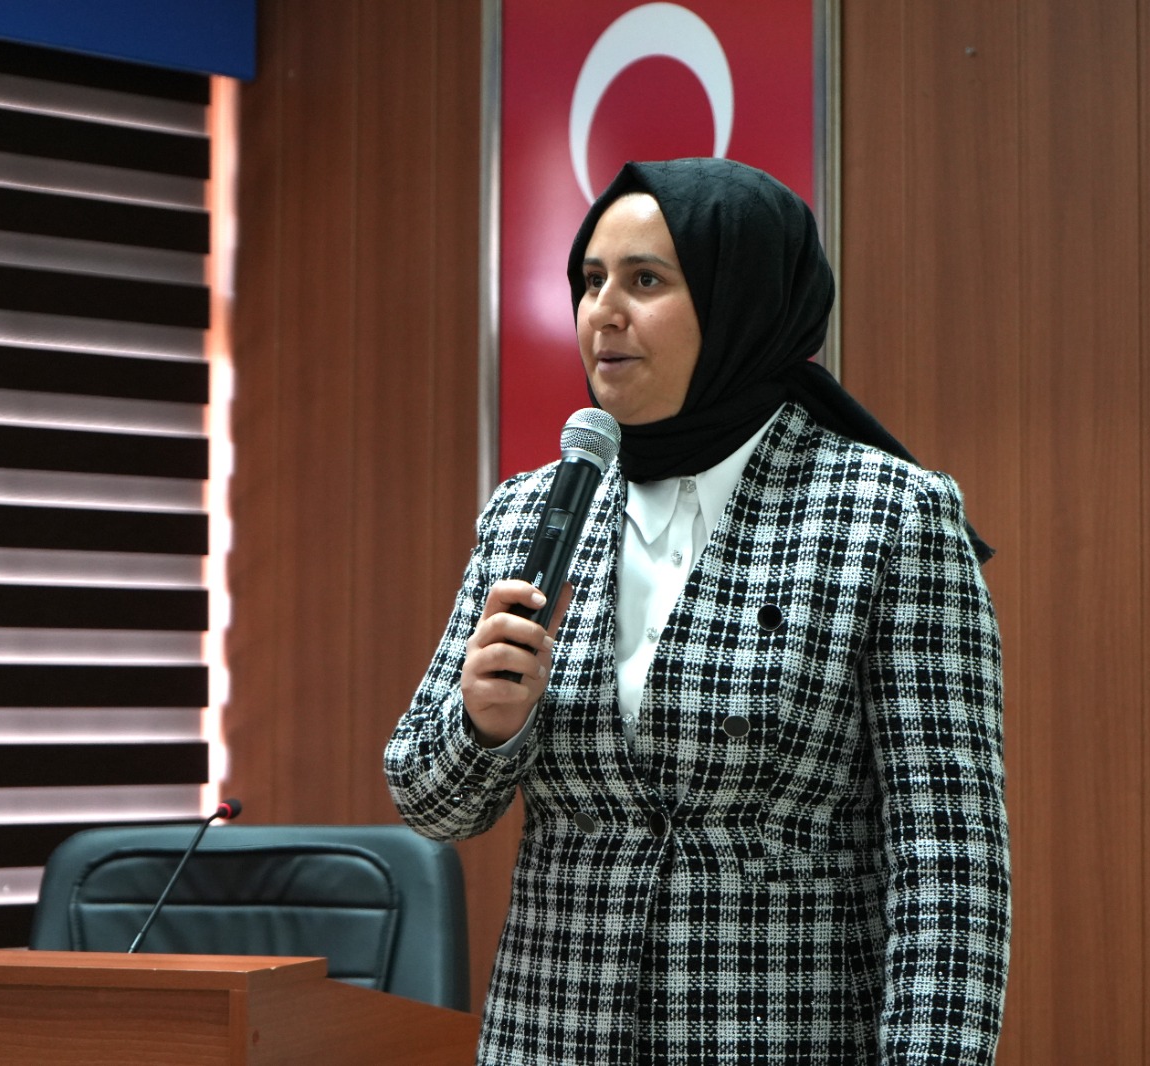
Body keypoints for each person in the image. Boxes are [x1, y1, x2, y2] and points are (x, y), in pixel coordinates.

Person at [385, 157, 1009, 1065]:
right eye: (590, 280)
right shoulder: (530, 511)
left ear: (740, 300)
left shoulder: (887, 516)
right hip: (551, 1036)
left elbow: (948, 858)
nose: (603, 311)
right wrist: (483, 723)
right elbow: (431, 804)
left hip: (781, 1033)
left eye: (645, 281)